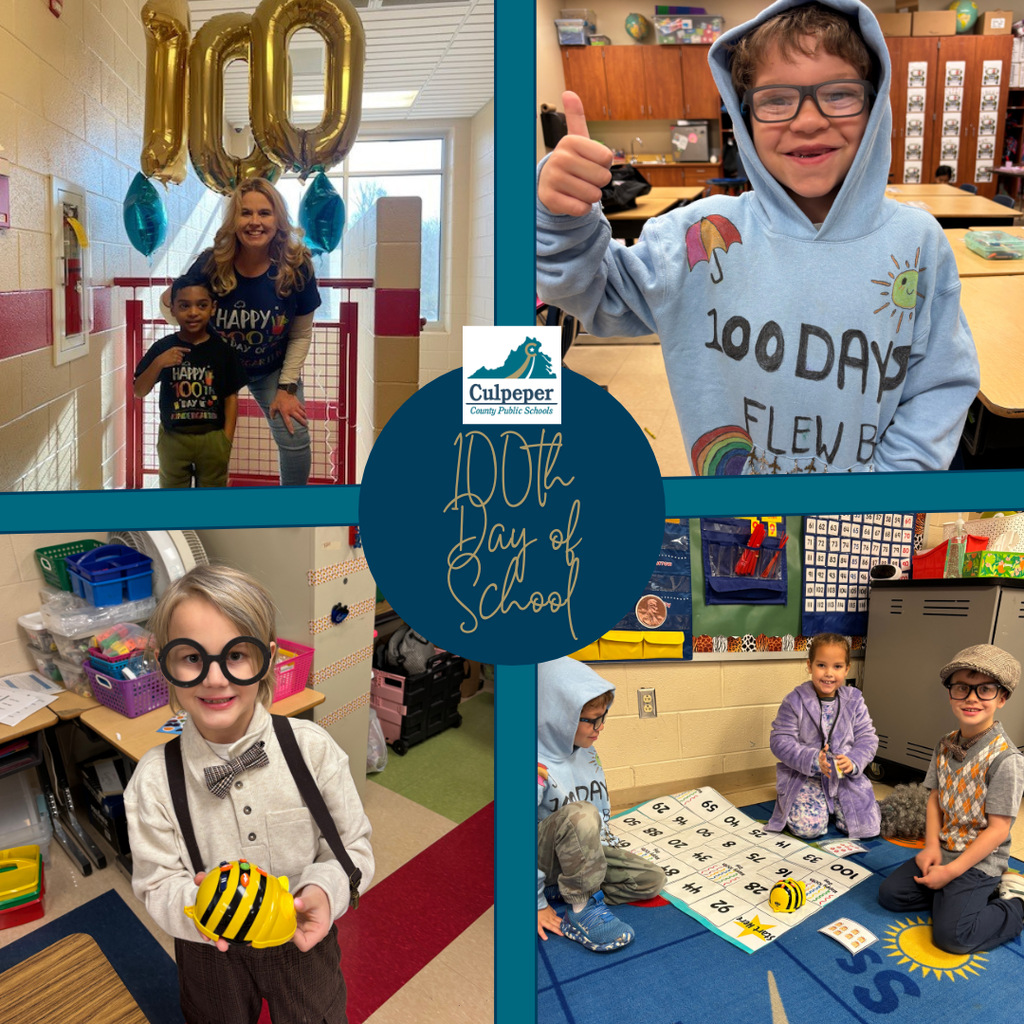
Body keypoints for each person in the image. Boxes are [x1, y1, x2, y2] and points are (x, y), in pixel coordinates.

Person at [536, 0, 980, 475]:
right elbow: (595, 297)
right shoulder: (697, 237)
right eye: (775, 100)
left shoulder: (918, 244)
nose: (808, 120)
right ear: (744, 119)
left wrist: (889, 487)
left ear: (874, 104)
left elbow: (939, 383)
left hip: (866, 524)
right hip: (736, 530)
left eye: (840, 94)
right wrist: (563, 219)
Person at [124, 565, 373, 1024]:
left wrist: (326, 887)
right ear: (165, 661)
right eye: (192, 657)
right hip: (209, 949)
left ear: (268, 658)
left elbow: (351, 847)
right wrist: (198, 908)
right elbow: (155, 883)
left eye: (236, 655)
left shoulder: (313, 750)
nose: (215, 679)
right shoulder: (154, 779)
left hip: (302, 936)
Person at [161, 178, 322, 486]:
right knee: (201, 441)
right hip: (215, 367)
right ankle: (198, 514)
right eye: (245, 213)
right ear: (234, 221)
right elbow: (176, 313)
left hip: (270, 368)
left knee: (295, 434)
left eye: (264, 213)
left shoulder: (297, 265)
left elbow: (301, 333)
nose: (255, 222)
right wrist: (169, 302)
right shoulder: (211, 262)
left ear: (278, 220)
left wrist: (287, 389)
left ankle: (292, 513)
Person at [877, 645, 1024, 954]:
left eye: (984, 689)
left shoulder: (1006, 759)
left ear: (1002, 697)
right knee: (890, 895)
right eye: (962, 688)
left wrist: (952, 872)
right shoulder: (945, 744)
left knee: (953, 937)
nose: (971, 698)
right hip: (945, 848)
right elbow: (933, 799)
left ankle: (1015, 903)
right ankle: (955, 898)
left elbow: (998, 831)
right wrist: (932, 847)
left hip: (979, 861)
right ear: (950, 694)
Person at [538, 658, 665, 952]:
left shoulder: (586, 750)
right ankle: (582, 908)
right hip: (538, 857)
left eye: (603, 717)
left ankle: (569, 889)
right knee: (581, 814)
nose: (600, 727)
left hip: (574, 854)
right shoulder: (534, 762)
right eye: (592, 720)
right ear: (558, 717)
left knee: (651, 880)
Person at [135, 272, 248, 489]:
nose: (193, 312)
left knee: (210, 505)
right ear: (173, 309)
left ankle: (204, 524)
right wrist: (159, 362)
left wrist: (226, 440)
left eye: (201, 305)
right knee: (175, 506)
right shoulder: (163, 347)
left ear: (212, 308)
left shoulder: (223, 350)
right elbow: (139, 390)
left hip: (213, 438)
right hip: (173, 439)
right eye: (185, 305)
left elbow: (231, 398)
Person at [768, 633, 881, 839]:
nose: (829, 673)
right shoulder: (794, 701)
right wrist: (811, 759)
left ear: (847, 669)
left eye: (837, 667)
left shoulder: (855, 700)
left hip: (843, 777)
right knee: (807, 829)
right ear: (809, 666)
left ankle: (835, 807)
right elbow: (779, 741)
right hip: (806, 777)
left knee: (865, 828)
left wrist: (854, 761)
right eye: (821, 665)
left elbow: (868, 738)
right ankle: (807, 805)